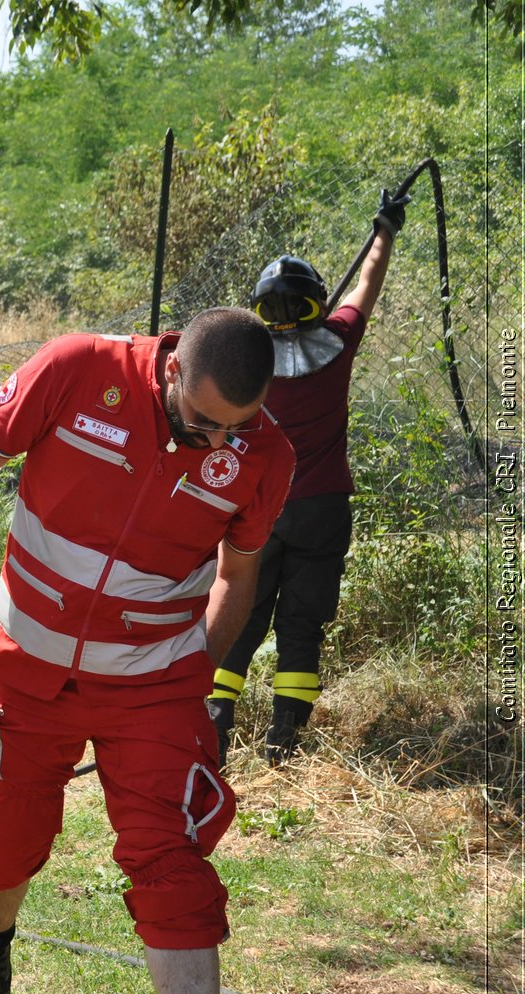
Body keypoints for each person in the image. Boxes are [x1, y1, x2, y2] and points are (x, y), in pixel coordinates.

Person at [0, 308, 295, 994]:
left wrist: (195, 674)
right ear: (170, 369)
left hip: (153, 686)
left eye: (239, 426)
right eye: (204, 422)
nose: (218, 443)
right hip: (30, 671)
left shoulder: (265, 456)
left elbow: (237, 574)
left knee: (171, 854)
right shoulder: (76, 370)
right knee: (8, 832)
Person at [207, 189, 410, 767]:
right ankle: (283, 745)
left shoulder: (248, 363)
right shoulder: (339, 343)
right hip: (323, 508)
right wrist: (385, 229)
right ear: (318, 305)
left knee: (239, 609)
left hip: (256, 506)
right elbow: (367, 283)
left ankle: (215, 727)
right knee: (302, 623)